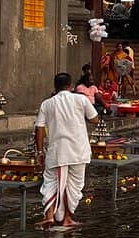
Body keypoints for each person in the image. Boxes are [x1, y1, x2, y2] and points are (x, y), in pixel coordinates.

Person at [35, 72, 98, 229]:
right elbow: (95, 119)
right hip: (78, 150)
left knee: (50, 182)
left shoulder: (47, 104)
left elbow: (39, 128)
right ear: (71, 86)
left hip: (56, 151)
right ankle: (67, 218)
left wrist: (40, 151)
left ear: (55, 86)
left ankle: (50, 216)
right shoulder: (81, 99)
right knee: (74, 186)